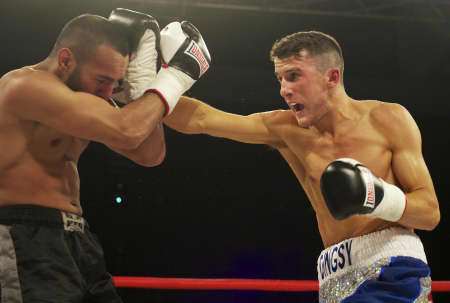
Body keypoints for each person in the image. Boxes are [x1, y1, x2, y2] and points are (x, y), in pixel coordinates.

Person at [164, 30, 440, 302]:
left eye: (294, 76)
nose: (284, 90)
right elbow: (201, 118)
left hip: (391, 268)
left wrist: (376, 196)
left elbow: (429, 213)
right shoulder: (286, 130)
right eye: (280, 79)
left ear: (332, 77)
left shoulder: (388, 119)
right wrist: (147, 87)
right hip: (333, 277)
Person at [0, 7, 210, 302]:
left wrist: (141, 89)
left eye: (117, 82)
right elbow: (127, 130)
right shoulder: (24, 87)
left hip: (77, 238)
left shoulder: (87, 99)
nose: (109, 91)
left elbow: (149, 153)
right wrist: (176, 77)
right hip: (24, 234)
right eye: (102, 80)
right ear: (65, 59)